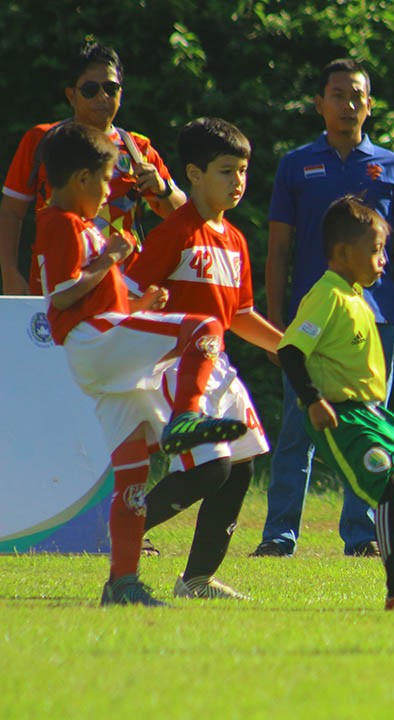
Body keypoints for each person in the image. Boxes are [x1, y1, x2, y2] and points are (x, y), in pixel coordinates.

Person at [36, 122, 247, 605]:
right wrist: (109, 258)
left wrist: (141, 307)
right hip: (96, 341)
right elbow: (61, 296)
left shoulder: (80, 227)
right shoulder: (61, 223)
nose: (107, 193)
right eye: (104, 182)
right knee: (204, 328)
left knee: (132, 476)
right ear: (82, 179)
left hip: (105, 352)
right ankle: (186, 415)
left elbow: (93, 299)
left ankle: (122, 583)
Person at [254, 58, 394, 558]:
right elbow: (278, 248)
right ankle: (279, 536)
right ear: (319, 104)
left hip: (378, 319)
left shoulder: (393, 167)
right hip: (313, 320)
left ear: (370, 105)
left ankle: (362, 535)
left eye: (357, 96)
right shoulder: (295, 165)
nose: (348, 105)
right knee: (297, 430)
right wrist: (274, 323)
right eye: (338, 95)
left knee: (369, 429)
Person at [125, 118, 281, 599]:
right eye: (226, 171)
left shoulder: (234, 240)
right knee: (209, 468)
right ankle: (120, 530)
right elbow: (127, 297)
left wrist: (287, 347)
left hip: (220, 370)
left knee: (242, 465)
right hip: (177, 365)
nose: (238, 181)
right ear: (193, 174)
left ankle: (196, 581)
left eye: (243, 171)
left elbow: (240, 315)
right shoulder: (175, 232)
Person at [278, 195, 394, 610]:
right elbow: (290, 350)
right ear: (343, 253)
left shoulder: (357, 296)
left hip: (374, 415)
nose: (383, 260)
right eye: (376, 250)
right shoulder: (327, 295)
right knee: (389, 487)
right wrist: (313, 400)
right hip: (341, 417)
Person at [1, 42, 185, 296]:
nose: (102, 97)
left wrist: (162, 189)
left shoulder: (137, 148)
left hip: (122, 290)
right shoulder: (43, 140)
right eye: (90, 89)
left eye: (111, 88)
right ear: (71, 95)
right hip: (55, 286)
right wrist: (9, 272)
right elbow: (11, 211)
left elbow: (183, 215)